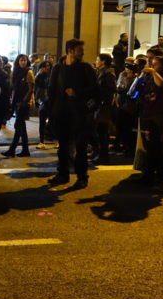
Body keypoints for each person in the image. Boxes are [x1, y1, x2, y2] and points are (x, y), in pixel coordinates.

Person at [47, 39, 98, 189]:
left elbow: (95, 90)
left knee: (80, 146)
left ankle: (82, 177)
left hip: (80, 113)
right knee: (62, 146)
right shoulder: (57, 68)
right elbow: (51, 90)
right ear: (70, 51)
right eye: (79, 50)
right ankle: (63, 174)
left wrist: (77, 93)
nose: (82, 52)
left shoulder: (85, 68)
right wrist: (52, 111)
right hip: (61, 113)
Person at [135, 55, 163, 193]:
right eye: (151, 64)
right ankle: (148, 177)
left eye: (156, 64)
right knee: (149, 149)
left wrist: (153, 72)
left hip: (160, 119)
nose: (152, 66)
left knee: (157, 149)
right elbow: (136, 92)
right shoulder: (148, 78)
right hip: (147, 116)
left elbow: (162, 84)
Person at [3, 54, 34, 158]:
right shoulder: (16, 72)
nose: (23, 62)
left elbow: (31, 89)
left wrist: (24, 101)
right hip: (17, 102)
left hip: (23, 103)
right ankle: (25, 150)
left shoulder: (29, 72)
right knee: (22, 127)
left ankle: (12, 149)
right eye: (21, 60)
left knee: (18, 126)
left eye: (25, 60)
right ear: (18, 61)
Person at [92, 53, 117, 165]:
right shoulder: (100, 72)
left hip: (104, 106)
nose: (96, 61)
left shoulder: (108, 73)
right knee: (99, 130)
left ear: (103, 61)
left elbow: (111, 90)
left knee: (102, 131)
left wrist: (103, 98)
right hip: (100, 105)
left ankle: (103, 155)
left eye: (98, 59)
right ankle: (99, 153)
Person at [34, 60, 52, 148]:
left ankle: (56, 140)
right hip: (42, 100)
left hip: (51, 100)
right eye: (45, 66)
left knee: (53, 121)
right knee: (42, 121)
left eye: (48, 66)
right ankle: (41, 141)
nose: (46, 68)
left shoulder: (51, 75)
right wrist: (39, 74)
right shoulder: (39, 75)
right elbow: (36, 84)